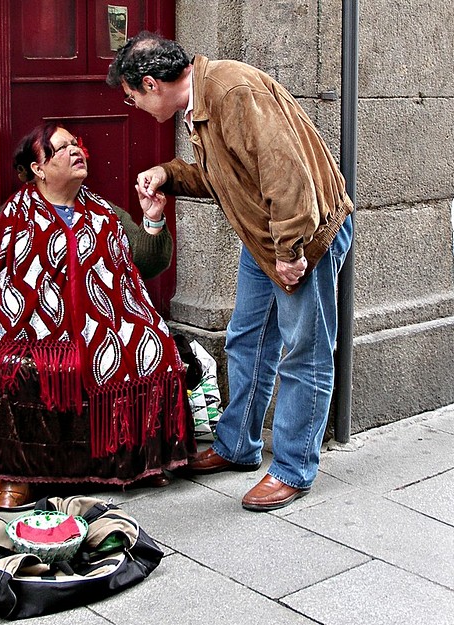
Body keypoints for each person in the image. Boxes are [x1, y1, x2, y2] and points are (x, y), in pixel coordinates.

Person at [107, 32, 354, 511]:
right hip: (265, 237)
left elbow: (286, 174)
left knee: (303, 352)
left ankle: (293, 468)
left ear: (151, 84)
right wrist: (169, 174)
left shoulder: (232, 90)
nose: (132, 105)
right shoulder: (203, 100)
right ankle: (238, 444)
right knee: (247, 339)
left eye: (131, 95)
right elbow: (226, 174)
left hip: (301, 236)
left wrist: (290, 251)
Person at [0, 122, 194, 510]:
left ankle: (140, 462)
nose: (75, 151)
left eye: (76, 144)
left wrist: (153, 219)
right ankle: (18, 478)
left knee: (151, 343)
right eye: (61, 148)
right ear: (38, 168)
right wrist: (15, 311)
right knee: (20, 366)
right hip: (37, 332)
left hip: (105, 324)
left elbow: (150, 261)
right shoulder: (8, 219)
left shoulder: (105, 212)